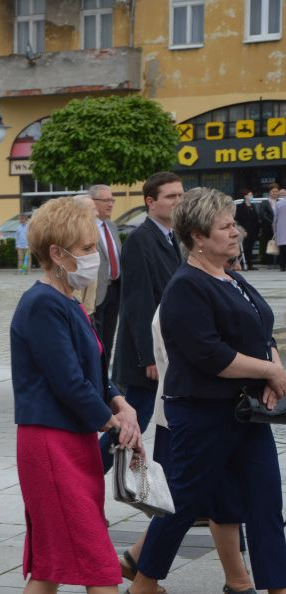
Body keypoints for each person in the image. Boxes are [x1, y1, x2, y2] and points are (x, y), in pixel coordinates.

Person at [124, 187, 286, 594]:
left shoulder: (230, 276)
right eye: (225, 226)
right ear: (197, 237)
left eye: (234, 223)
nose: (236, 231)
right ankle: (142, 587)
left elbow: (260, 327)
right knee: (182, 506)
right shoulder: (186, 287)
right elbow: (213, 356)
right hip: (202, 415)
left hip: (245, 414)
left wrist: (273, 367)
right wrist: (272, 372)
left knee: (267, 501)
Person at [9, 196, 146, 594]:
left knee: (47, 568)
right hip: (52, 444)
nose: (94, 256)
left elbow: (91, 372)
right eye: (85, 247)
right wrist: (113, 422)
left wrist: (119, 402)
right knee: (101, 570)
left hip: (67, 443)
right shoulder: (44, 302)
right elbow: (67, 381)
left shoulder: (65, 299)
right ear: (57, 252)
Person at [110, 171, 183, 447]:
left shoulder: (169, 236)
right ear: (150, 202)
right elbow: (138, 303)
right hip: (146, 357)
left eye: (181, 194)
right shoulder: (141, 239)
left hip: (163, 350)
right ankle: (89, 469)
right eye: (171, 196)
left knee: (144, 424)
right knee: (130, 426)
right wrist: (149, 356)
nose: (179, 201)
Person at [87, 185, 122, 357]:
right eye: (106, 200)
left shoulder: (112, 226)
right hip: (96, 292)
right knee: (96, 340)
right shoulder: (87, 227)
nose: (111, 204)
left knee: (109, 339)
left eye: (112, 200)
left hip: (114, 289)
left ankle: (105, 379)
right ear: (93, 202)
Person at [236, 189, 260, 270]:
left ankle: (250, 264)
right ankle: (243, 263)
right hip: (244, 231)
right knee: (244, 248)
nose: (251, 196)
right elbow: (237, 219)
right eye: (250, 195)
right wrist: (241, 229)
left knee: (250, 248)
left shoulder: (253, 206)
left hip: (253, 231)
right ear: (245, 196)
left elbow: (256, 219)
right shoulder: (240, 206)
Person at [273, 192, 286, 272]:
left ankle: (282, 266)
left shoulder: (278, 204)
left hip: (281, 228)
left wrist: (275, 231)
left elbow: (275, 218)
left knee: (282, 250)